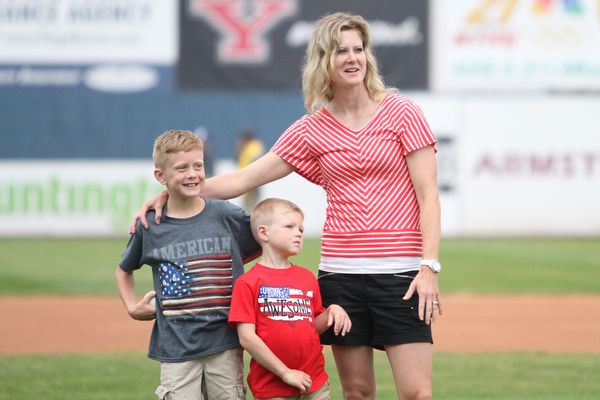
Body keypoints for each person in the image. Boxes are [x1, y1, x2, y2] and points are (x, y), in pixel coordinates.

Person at [133, 12, 442, 400]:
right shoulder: (311, 128)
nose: (352, 59)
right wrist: (176, 192)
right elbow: (242, 180)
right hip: (340, 275)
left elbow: (429, 194)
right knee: (358, 392)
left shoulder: (403, 112)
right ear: (322, 61)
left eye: (358, 50)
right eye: (340, 51)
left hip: (400, 274)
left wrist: (429, 266)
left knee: (417, 394)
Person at [116, 129, 261, 400]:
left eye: (198, 165)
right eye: (181, 168)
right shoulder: (150, 225)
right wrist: (132, 307)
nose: (192, 174)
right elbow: (124, 270)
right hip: (176, 349)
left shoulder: (225, 214)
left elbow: (264, 239)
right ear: (161, 176)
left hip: (226, 343)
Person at [228, 198, 352, 400]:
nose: (298, 233)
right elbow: (247, 338)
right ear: (263, 233)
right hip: (273, 386)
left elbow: (312, 327)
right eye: (290, 226)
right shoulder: (248, 282)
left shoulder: (307, 277)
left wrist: (332, 311)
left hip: (314, 382)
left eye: (301, 229)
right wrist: (285, 373)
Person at [235, 127, 265, 211]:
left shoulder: (252, 150)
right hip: (248, 187)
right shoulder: (250, 149)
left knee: (249, 212)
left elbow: (254, 171)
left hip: (251, 188)